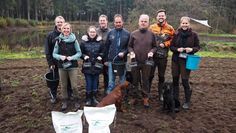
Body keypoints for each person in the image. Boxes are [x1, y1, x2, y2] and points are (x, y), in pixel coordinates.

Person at [170, 16, 200, 110]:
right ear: (180, 23)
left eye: (186, 23)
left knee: (184, 80)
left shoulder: (194, 35)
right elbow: (171, 47)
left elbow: (198, 47)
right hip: (175, 60)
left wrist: (191, 49)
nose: (184, 25)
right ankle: (176, 100)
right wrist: (177, 49)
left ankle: (187, 101)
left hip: (186, 61)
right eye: (183, 23)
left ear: (189, 24)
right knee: (175, 80)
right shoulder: (176, 33)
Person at [128, 14, 157, 108]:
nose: (143, 23)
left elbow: (155, 47)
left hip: (147, 61)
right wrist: (131, 52)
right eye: (142, 21)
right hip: (134, 61)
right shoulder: (133, 34)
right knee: (134, 80)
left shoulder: (152, 34)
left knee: (145, 80)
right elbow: (129, 46)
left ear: (148, 23)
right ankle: (134, 97)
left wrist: (152, 52)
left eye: (145, 21)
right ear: (139, 22)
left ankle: (145, 98)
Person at [53, 22, 82, 111]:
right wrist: (59, 57)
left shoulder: (74, 40)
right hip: (62, 66)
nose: (66, 30)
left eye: (68, 29)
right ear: (62, 30)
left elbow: (79, 53)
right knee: (63, 85)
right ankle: (64, 101)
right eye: (64, 29)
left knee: (74, 86)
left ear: (70, 30)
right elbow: (54, 54)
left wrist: (72, 57)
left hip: (72, 66)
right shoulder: (58, 40)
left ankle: (76, 100)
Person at [44, 16, 73, 104]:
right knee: (54, 80)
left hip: (66, 62)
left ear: (64, 23)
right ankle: (53, 95)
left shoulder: (69, 34)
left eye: (61, 22)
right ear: (55, 23)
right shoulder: (50, 35)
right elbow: (47, 50)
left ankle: (69, 94)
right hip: (55, 63)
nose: (60, 24)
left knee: (68, 80)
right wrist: (50, 63)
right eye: (58, 22)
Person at [149, 9, 175, 102]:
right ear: (156, 17)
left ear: (165, 17)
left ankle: (161, 94)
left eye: (162, 15)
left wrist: (166, 44)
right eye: (159, 16)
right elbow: (147, 38)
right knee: (150, 75)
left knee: (161, 76)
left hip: (163, 57)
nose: (161, 17)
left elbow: (174, 39)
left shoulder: (170, 28)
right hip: (152, 56)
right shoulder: (151, 27)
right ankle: (147, 94)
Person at [105, 14, 130, 94]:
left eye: (119, 22)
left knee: (122, 80)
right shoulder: (110, 33)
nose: (118, 24)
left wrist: (124, 52)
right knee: (111, 80)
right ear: (114, 23)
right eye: (116, 22)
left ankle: (123, 95)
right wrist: (106, 60)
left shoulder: (127, 33)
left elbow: (129, 47)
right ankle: (109, 95)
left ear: (122, 22)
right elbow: (106, 47)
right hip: (111, 61)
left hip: (123, 61)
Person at [80, 26, 104, 106]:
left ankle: (94, 97)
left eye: (94, 32)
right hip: (87, 65)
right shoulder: (83, 42)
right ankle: (88, 98)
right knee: (89, 82)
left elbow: (103, 51)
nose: (92, 33)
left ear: (96, 33)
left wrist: (101, 56)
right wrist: (84, 56)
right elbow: (80, 53)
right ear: (88, 32)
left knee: (95, 82)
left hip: (97, 65)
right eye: (91, 32)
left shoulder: (100, 42)